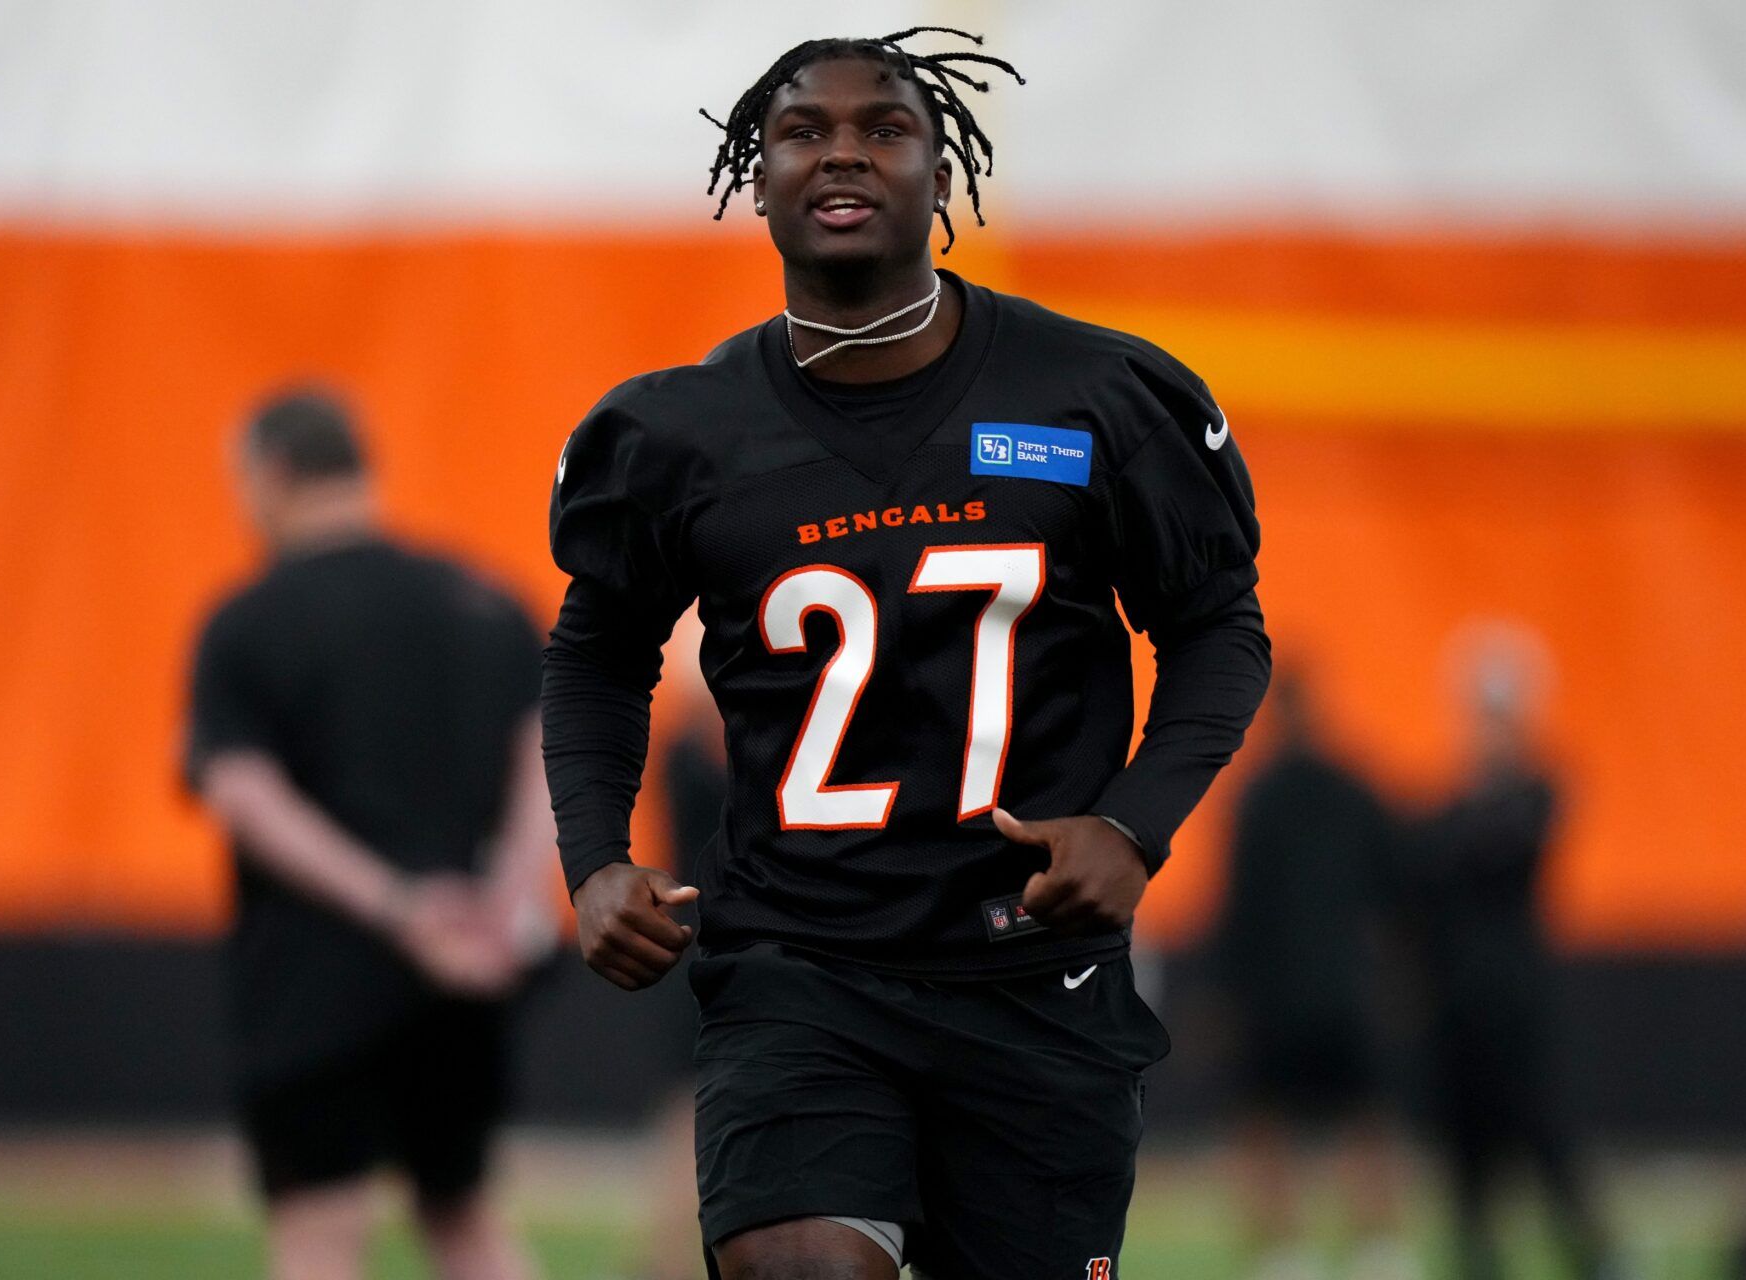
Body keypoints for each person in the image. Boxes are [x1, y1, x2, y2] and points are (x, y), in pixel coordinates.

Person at [540, 27, 1271, 1280]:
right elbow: (598, 654)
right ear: (751, 178)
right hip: (800, 966)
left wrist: (1134, 824)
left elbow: (1216, 629)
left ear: (946, 175)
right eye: (802, 131)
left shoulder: (1090, 395)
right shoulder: (679, 432)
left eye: (885, 129)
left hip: (1033, 973)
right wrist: (595, 859)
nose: (843, 153)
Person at [187, 390, 551, 1280]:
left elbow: (245, 794)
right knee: (462, 1215)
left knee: (319, 1226)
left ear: (272, 474)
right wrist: (505, 904)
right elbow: (545, 764)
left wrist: (397, 907)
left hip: (316, 968)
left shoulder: (249, 618)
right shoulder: (484, 598)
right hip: (469, 963)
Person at [1407, 634, 1604, 1280]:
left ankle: (1594, 1255)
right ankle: (1481, 1260)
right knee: (1467, 1154)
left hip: (1517, 1007)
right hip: (1460, 1008)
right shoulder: (1457, 806)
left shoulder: (1536, 792)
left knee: (1546, 1141)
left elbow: (1491, 846)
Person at [1215, 672, 1411, 1280]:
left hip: (1280, 994)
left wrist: (1224, 995)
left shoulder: (1258, 797)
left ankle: (1285, 1254)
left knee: (1271, 1121)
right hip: (1341, 988)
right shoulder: (1352, 788)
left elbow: (1237, 909)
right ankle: (1376, 1250)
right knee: (1361, 1118)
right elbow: (1400, 887)